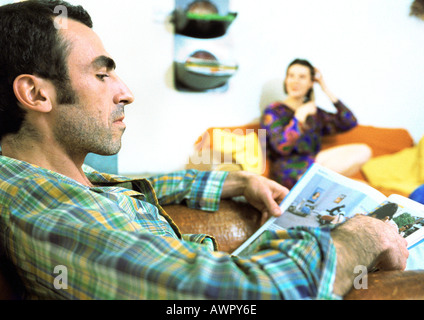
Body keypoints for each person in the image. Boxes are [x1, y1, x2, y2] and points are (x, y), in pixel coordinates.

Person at [0, 0, 408, 300]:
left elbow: (143, 183)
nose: (126, 92)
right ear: (36, 93)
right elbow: (250, 294)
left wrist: (236, 181)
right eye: (102, 73)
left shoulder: (62, 179)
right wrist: (359, 237)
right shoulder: (53, 214)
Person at [261, 59, 372, 189]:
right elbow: (282, 147)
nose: (295, 81)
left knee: (363, 152)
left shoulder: (315, 113)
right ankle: (318, 185)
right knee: (356, 185)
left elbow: (349, 121)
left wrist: (324, 87)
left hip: (315, 166)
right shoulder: (274, 110)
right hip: (288, 172)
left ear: (310, 83)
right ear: (286, 80)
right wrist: (299, 117)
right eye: (291, 76)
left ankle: (318, 185)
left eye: (302, 77)